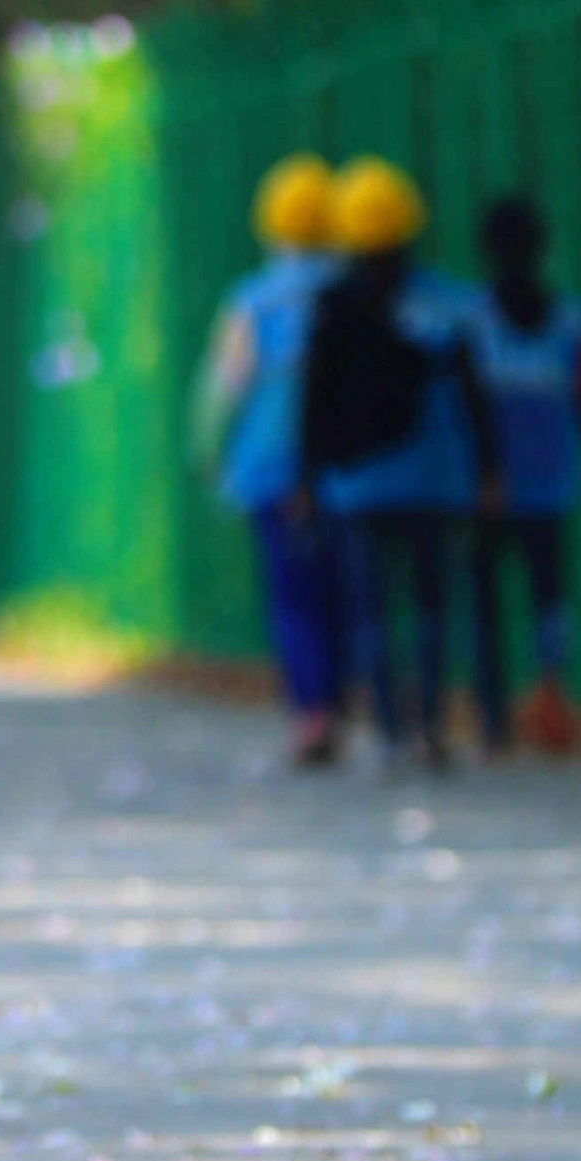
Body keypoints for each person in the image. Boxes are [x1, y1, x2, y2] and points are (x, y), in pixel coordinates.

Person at [289, 156, 493, 763]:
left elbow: (314, 401)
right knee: (431, 605)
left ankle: (387, 728)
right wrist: (488, 468)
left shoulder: (328, 308)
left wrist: (306, 476)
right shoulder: (448, 303)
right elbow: (473, 394)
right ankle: (428, 720)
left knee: (370, 613)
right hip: (436, 479)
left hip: (358, 486)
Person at [193, 152, 350, 763]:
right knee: (338, 590)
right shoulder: (351, 293)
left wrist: (207, 453)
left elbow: (222, 388)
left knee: (290, 597)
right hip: (340, 474)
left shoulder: (253, 302)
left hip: (266, 470)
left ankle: (309, 712)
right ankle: (338, 700)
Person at [461, 186, 581, 750]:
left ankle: (495, 717)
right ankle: (550, 695)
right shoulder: (572, 320)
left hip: (487, 488)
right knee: (549, 595)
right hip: (550, 482)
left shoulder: (471, 320)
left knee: (484, 600)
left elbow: (460, 405)